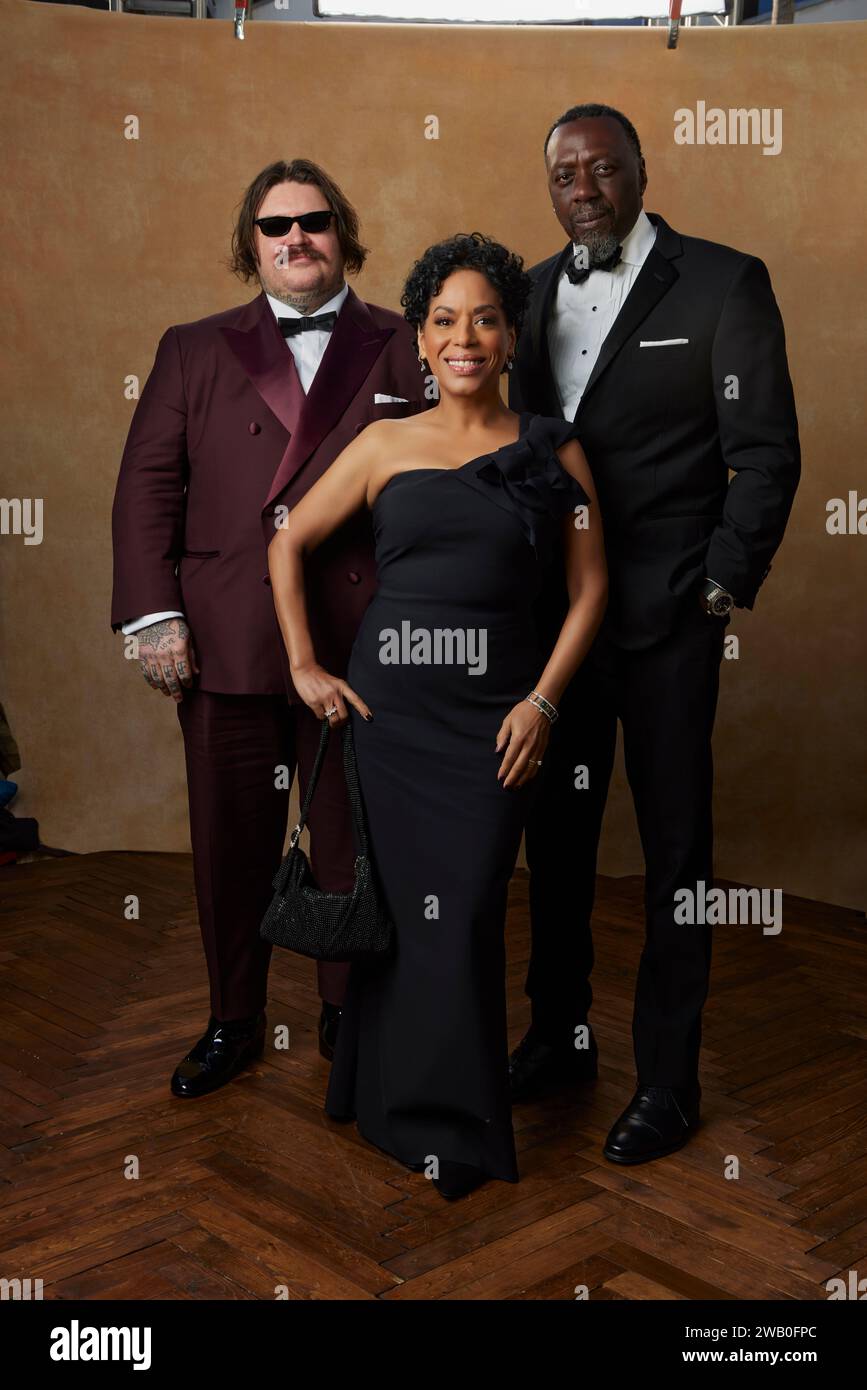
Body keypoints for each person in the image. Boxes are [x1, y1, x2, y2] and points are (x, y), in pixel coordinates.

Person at [267, 233, 607, 1199]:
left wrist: (543, 701)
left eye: (486, 319)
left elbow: (590, 594)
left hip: (497, 718)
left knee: (462, 915)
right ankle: (383, 1099)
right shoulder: (382, 443)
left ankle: (447, 1120)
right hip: (393, 713)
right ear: (421, 338)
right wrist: (303, 664)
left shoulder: (554, 447)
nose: (466, 338)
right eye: (445, 321)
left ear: (510, 337)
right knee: (404, 917)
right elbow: (286, 541)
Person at [508, 103, 801, 1163]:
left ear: (640, 171)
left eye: (602, 168)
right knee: (558, 837)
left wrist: (716, 589)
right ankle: (560, 1036)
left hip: (670, 621)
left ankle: (669, 1083)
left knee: (677, 849)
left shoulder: (726, 281)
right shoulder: (526, 293)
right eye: (563, 172)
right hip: (557, 626)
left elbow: (766, 453)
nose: (582, 186)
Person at [110, 159, 428, 1098]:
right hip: (224, 638)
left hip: (360, 642)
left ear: (345, 233)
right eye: (274, 225)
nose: (296, 238)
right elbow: (146, 489)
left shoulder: (408, 341)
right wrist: (154, 617)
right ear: (250, 245)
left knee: (349, 842)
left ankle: (346, 1017)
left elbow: (451, 487)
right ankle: (233, 1017)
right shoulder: (192, 347)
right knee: (230, 842)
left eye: (315, 220)